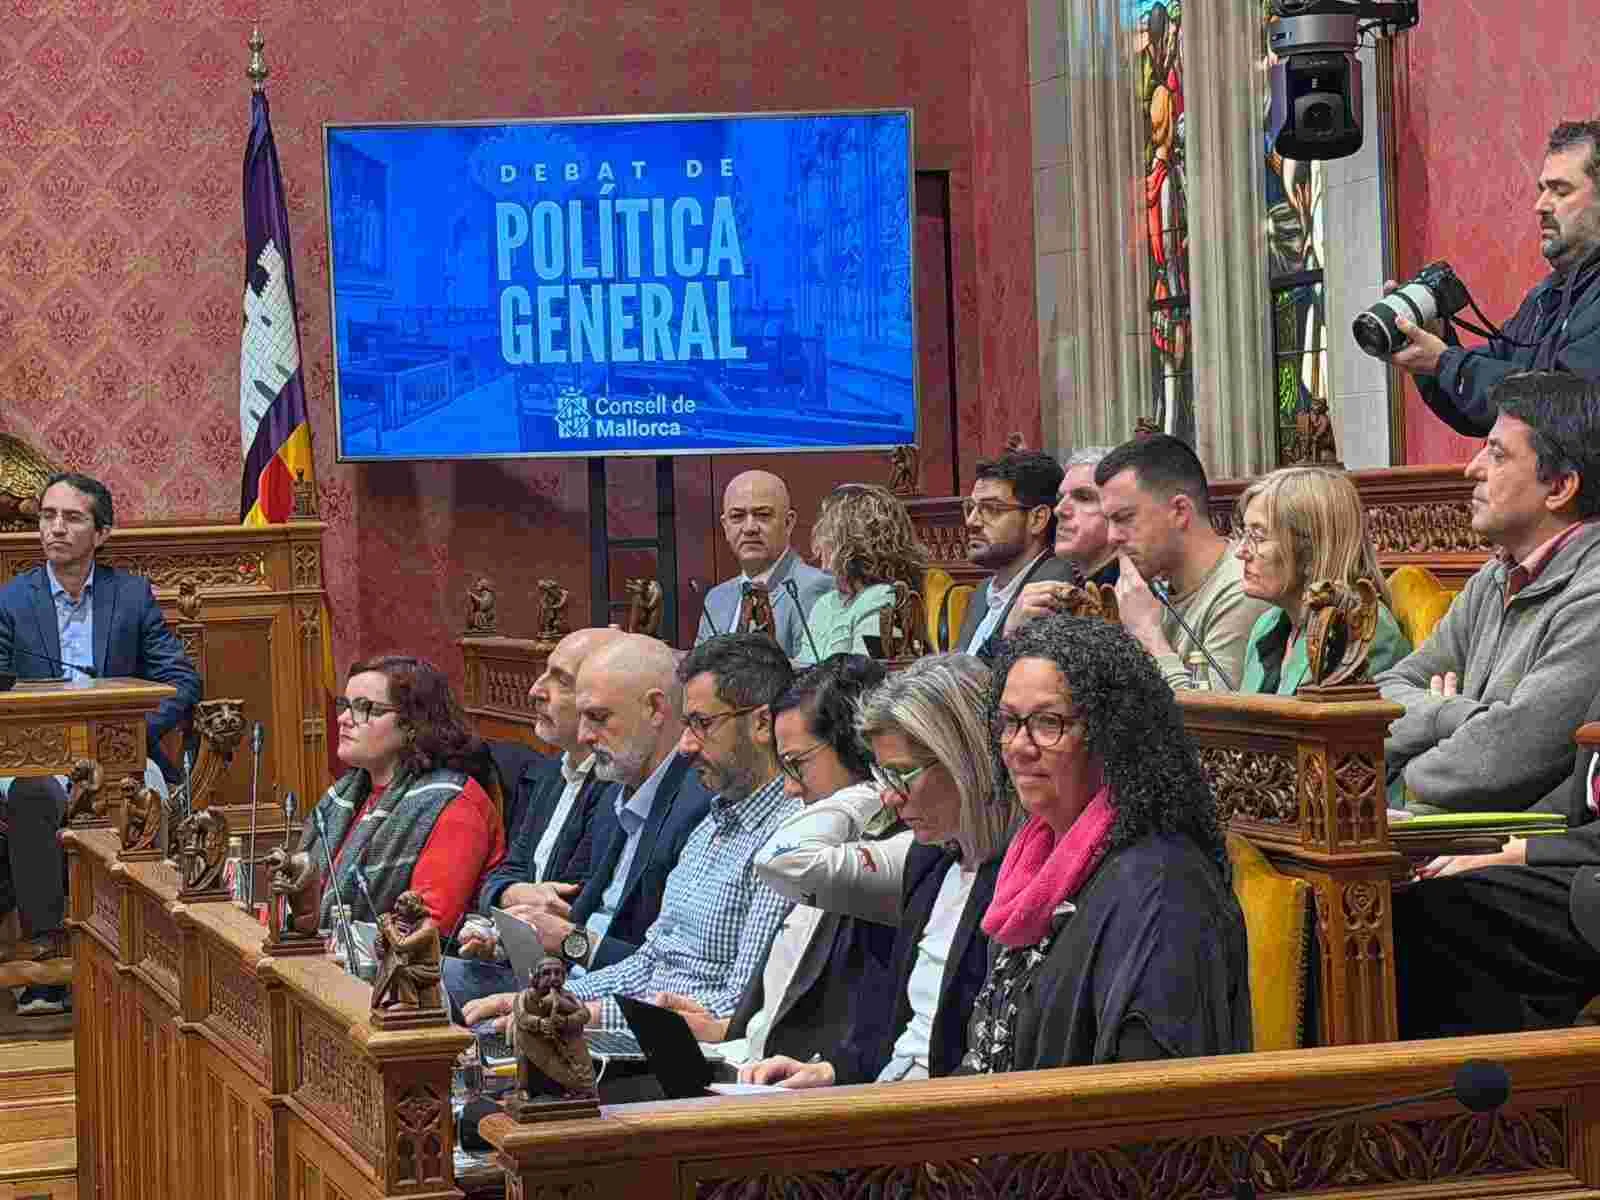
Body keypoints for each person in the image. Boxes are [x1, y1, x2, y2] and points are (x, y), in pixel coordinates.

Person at [962, 615, 1251, 1073]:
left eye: (1047, 722)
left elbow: (1147, 1093)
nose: (1018, 746)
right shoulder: (1027, 859)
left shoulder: (1163, 888)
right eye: (1009, 721)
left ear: (1113, 733)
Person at [742, 654, 1012, 1089]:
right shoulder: (931, 860)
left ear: (965, 762)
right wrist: (832, 1072)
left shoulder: (1017, 873)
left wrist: (862, 790)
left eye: (902, 775)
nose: (889, 797)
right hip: (886, 1098)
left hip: (938, 1114)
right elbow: (902, 1032)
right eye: (883, 777)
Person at [0, 472, 201, 1015]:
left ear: (102, 533)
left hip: (120, 752)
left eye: (72, 518)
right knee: (33, 793)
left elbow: (181, 679)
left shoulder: (130, 596)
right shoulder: (12, 600)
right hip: (35, 754)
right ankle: (47, 958)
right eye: (48, 516)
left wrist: (132, 733)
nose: (55, 528)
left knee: (143, 793)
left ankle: (148, 951)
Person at [654, 655, 910, 1063]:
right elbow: (776, 1011)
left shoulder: (895, 852)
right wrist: (722, 1028)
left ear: (857, 749)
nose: (790, 788)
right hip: (743, 1057)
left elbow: (780, 859)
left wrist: (868, 788)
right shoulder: (825, 835)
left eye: (797, 764)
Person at [1376, 371, 1600, 815]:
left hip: (1510, 848)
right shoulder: (1494, 577)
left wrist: (1409, 765)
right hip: (1442, 827)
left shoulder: (1592, 594)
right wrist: (1450, 715)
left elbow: (1498, 762)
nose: (1472, 468)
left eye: (1497, 454)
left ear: (1559, 487)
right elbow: (1377, 698)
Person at [453, 635, 709, 1022]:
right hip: (567, 985)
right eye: (584, 717)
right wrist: (515, 938)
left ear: (656, 709)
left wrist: (565, 943)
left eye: (599, 718)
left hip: (621, 1007)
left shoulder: (698, 806)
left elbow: (666, 969)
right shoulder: (612, 793)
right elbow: (564, 914)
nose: (586, 736)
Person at [1392, 683, 1600, 1039]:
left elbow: (1490, 761)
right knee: (1412, 894)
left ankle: (1501, 1070)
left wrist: (1521, 850)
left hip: (1589, 880)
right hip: (1577, 862)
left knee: (1440, 912)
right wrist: (1486, 843)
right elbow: (1577, 798)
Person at [1392, 121, 1600, 437]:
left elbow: (1566, 410)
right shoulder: (1544, 298)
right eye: (1542, 190)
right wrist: (1430, 343)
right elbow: (1482, 408)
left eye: (1560, 190)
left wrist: (1445, 362)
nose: (1540, 206)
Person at [298, 655, 506, 939]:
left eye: (365, 708)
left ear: (412, 724)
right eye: (345, 705)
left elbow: (425, 931)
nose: (343, 719)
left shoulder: (454, 807)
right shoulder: (347, 795)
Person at [461, 627, 625, 968]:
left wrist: (509, 925)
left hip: (562, 972)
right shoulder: (551, 772)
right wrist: (512, 895)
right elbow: (504, 874)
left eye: (561, 680)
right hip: (520, 956)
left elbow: (570, 905)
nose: (535, 690)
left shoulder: (616, 788)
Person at [1094, 434, 1268, 691]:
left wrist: (1148, 633)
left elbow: (1216, 713)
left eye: (1124, 518)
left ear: (1179, 511)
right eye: (1108, 521)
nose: (1112, 537)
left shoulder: (1242, 588)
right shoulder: (1147, 592)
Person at [1234, 467, 1411, 694]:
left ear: (1311, 551)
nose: (1240, 552)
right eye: (1244, 533)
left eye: (1258, 537)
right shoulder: (1267, 625)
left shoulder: (1358, 627)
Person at [695, 470, 832, 658]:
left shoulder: (817, 588)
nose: (749, 528)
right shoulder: (716, 599)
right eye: (737, 517)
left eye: (763, 515)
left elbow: (817, 672)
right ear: (725, 527)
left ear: (788, 523)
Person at [953, 451, 1073, 658]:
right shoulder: (984, 591)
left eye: (991, 509)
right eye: (971, 508)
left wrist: (1008, 638)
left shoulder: (1054, 586)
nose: (971, 521)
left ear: (1037, 519)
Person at [798, 483, 925, 665]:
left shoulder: (882, 598)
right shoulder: (824, 603)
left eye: (826, 532)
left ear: (850, 543)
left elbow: (864, 674)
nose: (819, 542)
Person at [1004, 446, 1121, 637]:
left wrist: (1013, 637)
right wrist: (1011, 632)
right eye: (1060, 498)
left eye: (1084, 497)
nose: (1059, 510)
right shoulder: (1065, 587)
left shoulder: (1134, 595)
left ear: (1121, 511)